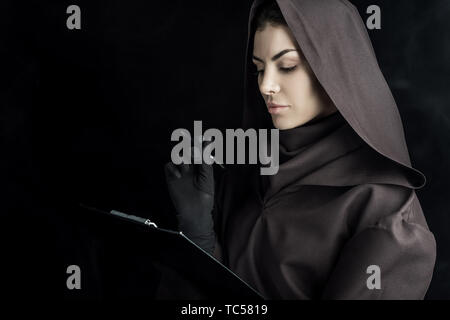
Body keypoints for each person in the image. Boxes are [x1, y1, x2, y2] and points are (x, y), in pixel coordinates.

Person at [164, 0, 436, 299]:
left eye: (287, 66)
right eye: (258, 68)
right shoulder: (247, 171)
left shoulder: (386, 216)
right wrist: (196, 233)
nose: (266, 85)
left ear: (337, 68)